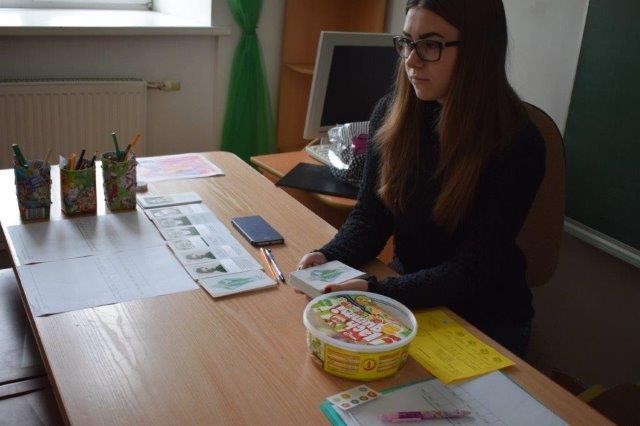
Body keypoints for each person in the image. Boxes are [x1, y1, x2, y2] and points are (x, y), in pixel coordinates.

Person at [297, 0, 545, 357]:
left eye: (430, 45)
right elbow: (371, 216)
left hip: (484, 317)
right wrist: (328, 255)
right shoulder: (393, 112)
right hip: (408, 291)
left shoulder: (517, 142)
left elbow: (472, 270)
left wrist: (378, 292)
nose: (411, 61)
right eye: (407, 43)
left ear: (478, 50)